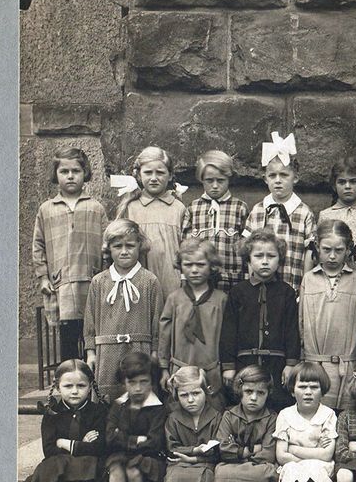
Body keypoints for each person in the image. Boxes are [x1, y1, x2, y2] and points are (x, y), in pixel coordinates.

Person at [31, 145, 108, 361]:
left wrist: (105, 275)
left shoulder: (95, 207)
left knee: (92, 336)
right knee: (68, 338)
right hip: (61, 283)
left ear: (85, 173)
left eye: (76, 171)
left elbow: (107, 244)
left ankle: (92, 378)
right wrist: (43, 277)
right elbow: (38, 245)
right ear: (56, 174)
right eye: (64, 171)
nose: (70, 176)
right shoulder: (47, 209)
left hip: (91, 281)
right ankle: (69, 377)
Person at [22, 359, 108, 482]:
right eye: (68, 386)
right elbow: (49, 449)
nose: (75, 391)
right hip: (60, 465)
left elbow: (99, 447)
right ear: (57, 387)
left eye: (81, 386)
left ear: (90, 387)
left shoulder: (98, 412)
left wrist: (68, 444)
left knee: (87, 465)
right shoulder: (52, 413)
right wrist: (83, 444)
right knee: (56, 466)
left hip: (89, 468)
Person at [83, 218, 163, 403]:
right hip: (107, 352)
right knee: (106, 398)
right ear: (109, 249)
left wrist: (155, 352)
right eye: (118, 246)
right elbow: (90, 319)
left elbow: (157, 320)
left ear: (139, 247)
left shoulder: (149, 281)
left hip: (139, 349)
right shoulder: (99, 282)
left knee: (139, 398)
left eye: (130, 246)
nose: (124, 251)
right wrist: (90, 352)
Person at [220, 229, 300, 409]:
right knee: (246, 403)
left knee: (275, 403)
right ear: (248, 260)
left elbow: (292, 330)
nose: (265, 261)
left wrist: (291, 364)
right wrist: (228, 366)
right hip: (244, 363)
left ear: (279, 260)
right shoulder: (238, 292)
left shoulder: (286, 292)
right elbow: (228, 332)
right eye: (258, 256)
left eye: (271, 256)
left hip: (277, 365)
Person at [298, 218, 356, 410]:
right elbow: (301, 322)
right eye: (327, 250)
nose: (333, 256)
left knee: (345, 417)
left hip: (347, 366)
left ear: (348, 250)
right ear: (317, 247)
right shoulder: (309, 279)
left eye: (339, 250)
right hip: (316, 366)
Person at [272, 362, 338, 482]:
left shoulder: (328, 415)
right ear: (293, 391)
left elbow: (326, 455)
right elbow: (281, 455)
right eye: (302, 386)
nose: (308, 392)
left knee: (314, 470)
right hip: (292, 465)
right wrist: (313, 451)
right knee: (294, 471)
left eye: (314, 387)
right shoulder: (285, 415)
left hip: (320, 466)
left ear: (322, 390)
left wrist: (293, 448)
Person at [102, 351, 167, 482]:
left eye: (144, 382)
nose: (138, 388)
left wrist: (124, 439)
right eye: (132, 382)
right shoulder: (118, 405)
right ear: (124, 383)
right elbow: (110, 437)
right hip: (121, 457)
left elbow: (155, 442)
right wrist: (137, 440)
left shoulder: (157, 408)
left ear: (152, 382)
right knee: (115, 467)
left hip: (150, 459)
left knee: (133, 467)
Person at [213, 365, 278, 482]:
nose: (254, 398)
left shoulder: (271, 418)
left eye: (260, 393)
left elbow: (268, 451)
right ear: (239, 390)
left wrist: (239, 451)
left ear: (268, 394)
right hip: (235, 463)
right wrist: (249, 451)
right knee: (221, 472)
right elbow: (223, 447)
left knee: (262, 473)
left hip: (258, 465)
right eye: (249, 391)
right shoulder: (229, 415)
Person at [114, 145, 190, 301]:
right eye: (148, 172)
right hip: (137, 282)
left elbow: (187, 248)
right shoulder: (131, 208)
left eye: (160, 173)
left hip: (172, 282)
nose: (154, 178)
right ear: (139, 175)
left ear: (170, 175)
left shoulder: (179, 208)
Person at [158, 237, 228, 401]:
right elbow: (164, 335)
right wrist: (164, 369)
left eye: (201, 265)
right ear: (180, 266)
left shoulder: (221, 300)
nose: (194, 270)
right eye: (188, 265)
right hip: (180, 370)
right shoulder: (174, 299)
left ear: (211, 266)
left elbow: (228, 338)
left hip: (212, 372)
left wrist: (226, 368)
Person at [245, 132, 317, 291]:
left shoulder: (304, 213)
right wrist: (253, 284)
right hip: (261, 288)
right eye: (272, 175)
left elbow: (309, 252)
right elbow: (249, 250)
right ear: (265, 179)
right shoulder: (258, 211)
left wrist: (305, 287)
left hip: (292, 285)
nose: (278, 180)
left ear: (295, 177)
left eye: (284, 175)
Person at [163, 366, 223, 482]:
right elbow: (172, 447)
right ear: (177, 396)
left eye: (196, 393)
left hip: (205, 462)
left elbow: (219, 448)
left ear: (206, 391)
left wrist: (196, 458)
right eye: (184, 395)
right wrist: (193, 451)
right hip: (179, 462)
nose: (190, 400)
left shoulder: (216, 417)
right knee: (174, 476)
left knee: (199, 477)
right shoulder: (174, 418)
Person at [188, 149, 250, 290]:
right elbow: (186, 247)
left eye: (220, 180)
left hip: (232, 282)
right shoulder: (193, 208)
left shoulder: (239, 208)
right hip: (200, 283)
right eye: (209, 180)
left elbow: (247, 248)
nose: (215, 186)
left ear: (229, 179)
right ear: (201, 179)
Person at [318, 155, 356, 276]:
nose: (347, 186)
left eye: (353, 181)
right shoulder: (325, 215)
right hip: (332, 276)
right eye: (342, 182)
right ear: (334, 186)